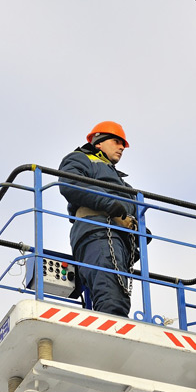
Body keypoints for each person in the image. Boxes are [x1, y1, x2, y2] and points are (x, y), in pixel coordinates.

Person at [59, 121, 140, 318]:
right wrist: (110, 204)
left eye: (123, 144)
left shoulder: (123, 183)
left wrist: (140, 232)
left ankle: (115, 327)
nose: (122, 147)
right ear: (99, 143)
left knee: (117, 291)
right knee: (110, 291)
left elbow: (132, 208)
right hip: (97, 231)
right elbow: (70, 182)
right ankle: (115, 332)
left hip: (118, 238)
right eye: (116, 141)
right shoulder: (80, 159)